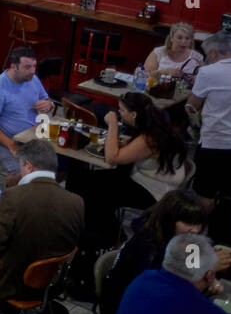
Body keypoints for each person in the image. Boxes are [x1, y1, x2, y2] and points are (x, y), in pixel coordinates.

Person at [0, 139, 83, 314]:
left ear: (28, 165)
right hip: (49, 282)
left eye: (20, 166)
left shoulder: (14, 197)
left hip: (12, 280)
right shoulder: (76, 202)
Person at [69, 91, 188, 248]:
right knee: (86, 180)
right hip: (150, 178)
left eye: (122, 110)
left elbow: (112, 158)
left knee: (91, 188)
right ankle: (104, 228)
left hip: (155, 191)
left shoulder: (149, 138)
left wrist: (112, 124)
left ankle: (105, 235)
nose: (119, 112)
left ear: (133, 115)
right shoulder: (154, 126)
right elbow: (131, 150)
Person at [98, 188, 218, 314]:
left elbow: (193, 272)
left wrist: (209, 279)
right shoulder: (147, 245)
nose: (195, 230)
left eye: (198, 223)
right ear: (169, 219)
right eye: (187, 222)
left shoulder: (186, 241)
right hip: (125, 309)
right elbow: (155, 293)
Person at [0, 47, 53, 181]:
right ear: (14, 66)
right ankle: (12, 199)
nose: (32, 71)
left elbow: (47, 100)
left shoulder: (32, 79)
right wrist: (11, 145)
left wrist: (49, 104)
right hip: (3, 139)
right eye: (27, 67)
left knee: (58, 166)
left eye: (34, 66)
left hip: (32, 136)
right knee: (22, 173)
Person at [189, 31, 231, 200]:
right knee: (229, 196)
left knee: (204, 194)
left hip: (215, 143)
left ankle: (197, 226)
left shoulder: (208, 72)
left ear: (213, 53)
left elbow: (191, 106)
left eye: (206, 56)